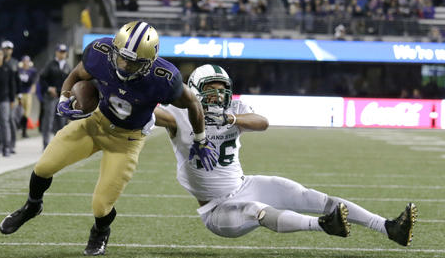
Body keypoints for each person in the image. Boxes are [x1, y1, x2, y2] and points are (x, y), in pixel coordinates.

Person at [0, 21, 217, 256]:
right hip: (96, 123)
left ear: (148, 63)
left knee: (101, 205)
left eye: (133, 62)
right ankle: (32, 206)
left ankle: (100, 231)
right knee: (43, 167)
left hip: (127, 141)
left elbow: (193, 103)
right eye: (121, 57)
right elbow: (76, 75)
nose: (124, 65)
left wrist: (201, 139)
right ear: (114, 49)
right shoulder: (100, 53)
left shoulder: (164, 78)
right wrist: (64, 98)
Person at [153, 64, 417, 246]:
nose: (218, 93)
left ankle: (389, 228)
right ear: (195, 90)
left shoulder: (235, 108)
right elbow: (151, 112)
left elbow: (262, 122)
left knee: (307, 195)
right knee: (257, 210)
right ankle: (322, 225)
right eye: (211, 88)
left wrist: (229, 117)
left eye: (222, 88)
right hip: (216, 208)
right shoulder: (179, 115)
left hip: (245, 184)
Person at [38, 43, 71, 149]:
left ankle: (58, 145)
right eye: (60, 52)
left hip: (62, 97)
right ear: (56, 52)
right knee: (48, 120)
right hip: (51, 96)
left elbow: (71, 82)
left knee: (61, 122)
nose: (62, 54)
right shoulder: (50, 64)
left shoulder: (67, 66)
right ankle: (45, 144)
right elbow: (42, 78)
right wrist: (48, 88)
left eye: (64, 52)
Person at [17, 55, 38, 138]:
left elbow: (34, 81)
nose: (26, 63)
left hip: (27, 93)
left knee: (26, 113)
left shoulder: (32, 71)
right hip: (18, 93)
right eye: (24, 61)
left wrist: (33, 87)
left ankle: (24, 131)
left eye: (27, 61)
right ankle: (19, 127)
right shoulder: (19, 70)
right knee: (18, 112)